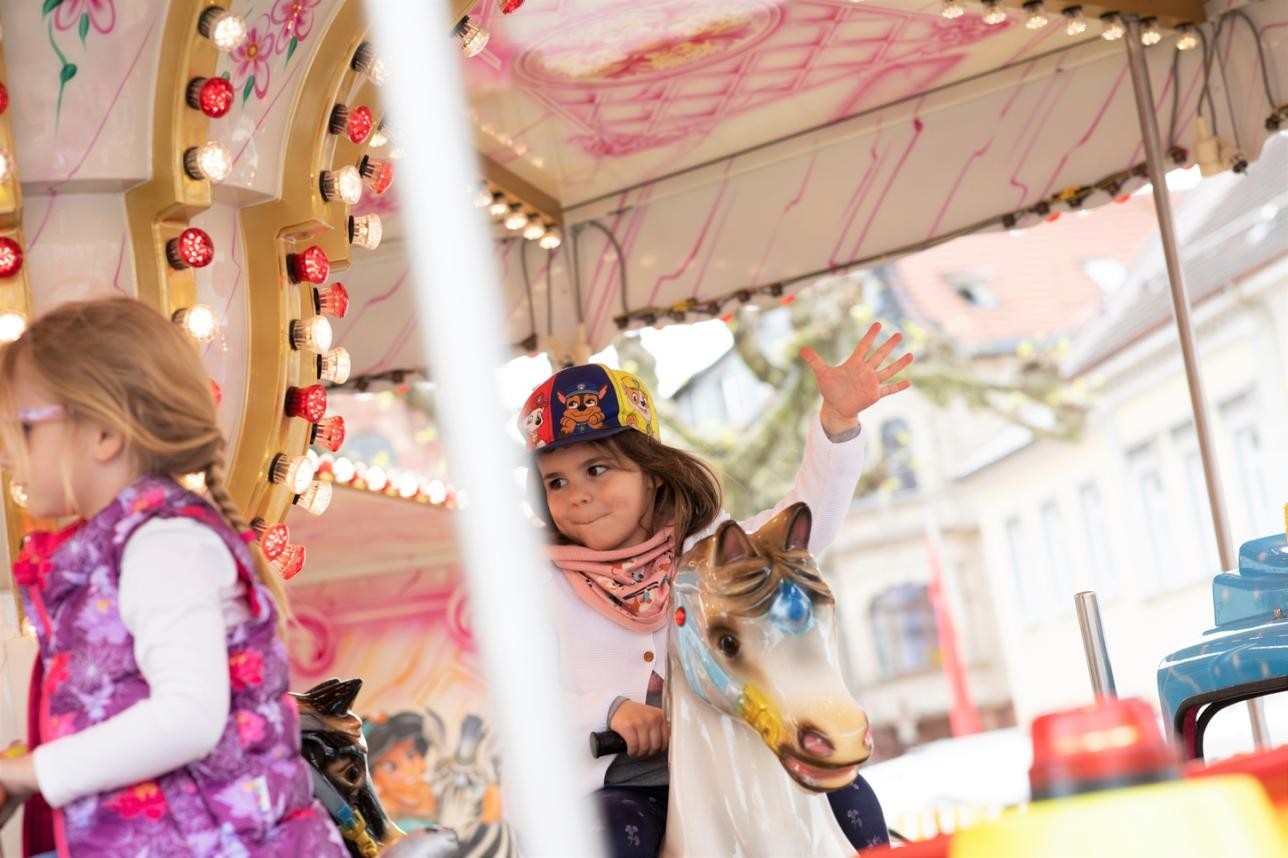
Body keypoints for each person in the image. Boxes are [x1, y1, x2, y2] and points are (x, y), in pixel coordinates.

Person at [518, 322, 913, 857]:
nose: (578, 495)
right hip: (631, 784)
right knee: (610, 836)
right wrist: (609, 711)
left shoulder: (708, 555)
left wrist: (837, 423)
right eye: (557, 482)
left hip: (741, 760)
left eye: (596, 469)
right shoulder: (546, 587)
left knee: (852, 801)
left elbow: (804, 523)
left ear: (651, 472)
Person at [0, 298, 346, 856]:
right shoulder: (114, 550)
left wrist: (33, 773)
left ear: (105, 434)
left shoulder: (163, 545)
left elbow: (187, 717)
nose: (7, 455)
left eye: (23, 427)